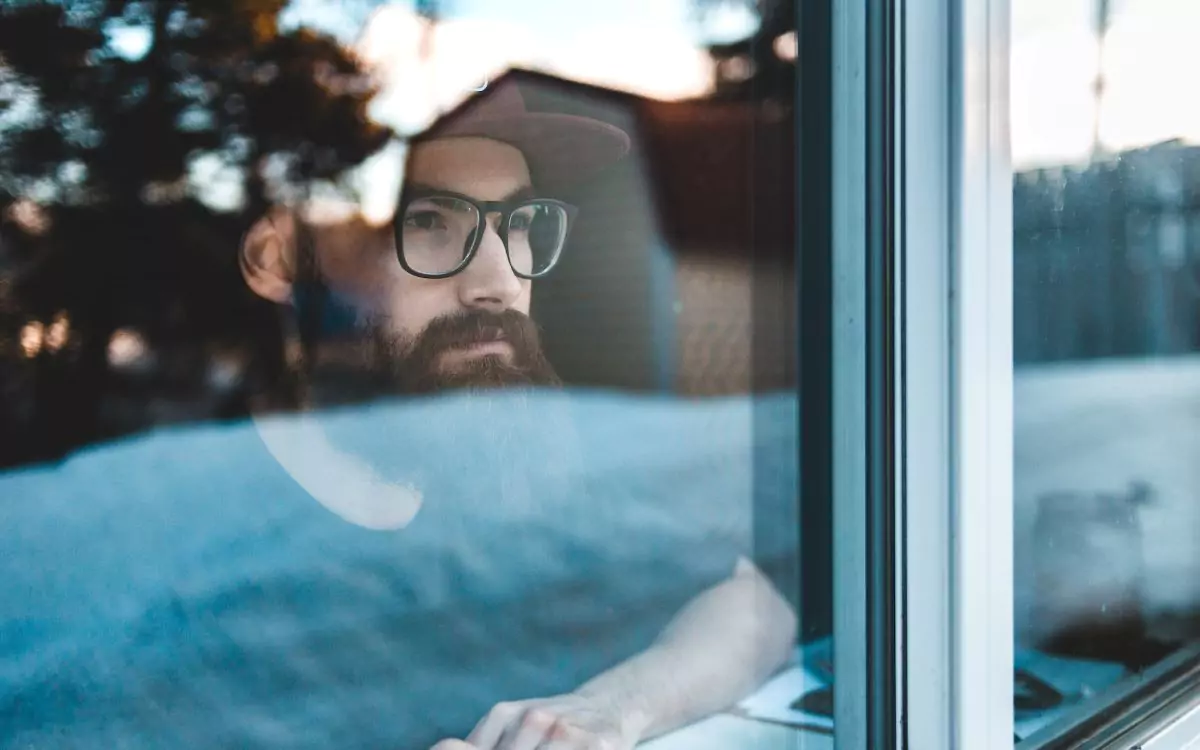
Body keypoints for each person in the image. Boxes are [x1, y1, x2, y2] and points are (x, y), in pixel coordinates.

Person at [237, 79, 798, 749]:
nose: (498, 283)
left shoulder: (531, 469)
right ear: (310, 258)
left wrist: (611, 708)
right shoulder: (243, 530)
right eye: (433, 226)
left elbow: (754, 606)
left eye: (520, 227)